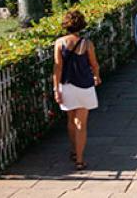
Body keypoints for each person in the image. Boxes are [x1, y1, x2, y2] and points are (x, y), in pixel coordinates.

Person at [53, 10, 101, 170]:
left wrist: (56, 88)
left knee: (70, 121)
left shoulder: (59, 43)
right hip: (84, 86)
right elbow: (94, 64)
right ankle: (80, 160)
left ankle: (74, 150)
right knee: (81, 123)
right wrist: (96, 76)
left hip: (67, 86)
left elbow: (57, 68)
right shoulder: (87, 44)